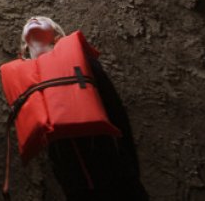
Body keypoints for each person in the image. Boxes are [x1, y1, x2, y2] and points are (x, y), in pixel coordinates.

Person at [21, 16, 149, 201]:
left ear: (56, 35)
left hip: (114, 172)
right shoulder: (27, 83)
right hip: (75, 184)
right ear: (25, 46)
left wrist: (129, 168)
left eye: (42, 18)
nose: (33, 18)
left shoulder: (81, 61)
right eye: (28, 21)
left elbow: (116, 111)